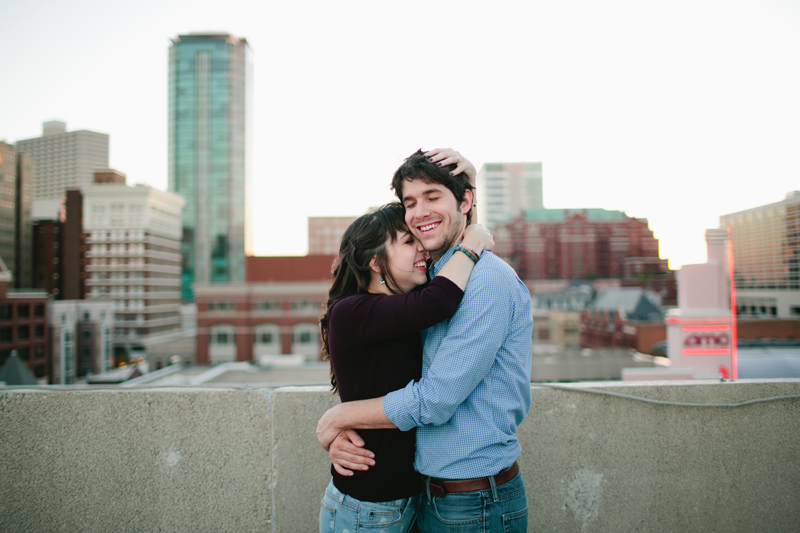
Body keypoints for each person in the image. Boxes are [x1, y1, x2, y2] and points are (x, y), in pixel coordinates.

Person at [317, 149, 533, 532]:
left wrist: (338, 417)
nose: (419, 214)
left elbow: (435, 400)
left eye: (433, 196)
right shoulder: (433, 277)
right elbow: (447, 268)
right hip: (425, 496)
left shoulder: (485, 281)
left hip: (473, 499)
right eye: (410, 203)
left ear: (465, 201)